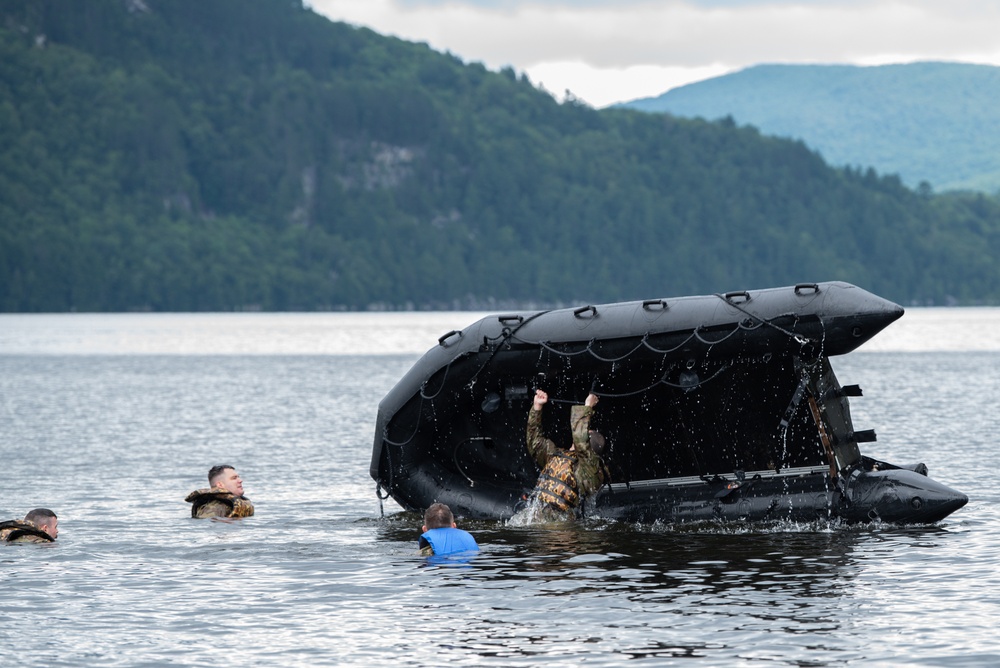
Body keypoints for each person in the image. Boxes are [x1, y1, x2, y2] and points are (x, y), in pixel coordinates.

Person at [522, 389, 607, 522]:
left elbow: (581, 440)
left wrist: (588, 407)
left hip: (561, 527)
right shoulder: (559, 456)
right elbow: (535, 443)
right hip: (537, 517)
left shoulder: (589, 469)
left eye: (585, 433)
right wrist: (537, 407)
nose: (579, 434)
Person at [185, 464, 255, 519]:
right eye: (234, 478)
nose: (240, 480)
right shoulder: (214, 507)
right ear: (220, 485)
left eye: (238, 477)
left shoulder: (233, 504)